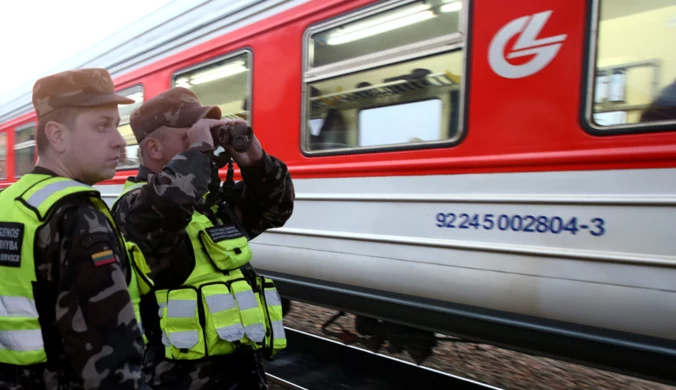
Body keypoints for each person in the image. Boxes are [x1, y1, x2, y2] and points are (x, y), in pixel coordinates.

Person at [111, 87, 295, 390]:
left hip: (242, 376)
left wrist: (256, 161)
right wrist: (198, 152)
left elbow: (276, 208)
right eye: (192, 132)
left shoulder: (211, 206)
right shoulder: (135, 208)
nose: (207, 139)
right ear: (154, 148)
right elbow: (168, 204)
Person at [0, 68, 151, 389]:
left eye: (117, 126)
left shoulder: (10, 202)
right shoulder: (76, 214)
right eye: (102, 127)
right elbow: (111, 362)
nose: (118, 142)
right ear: (56, 135)